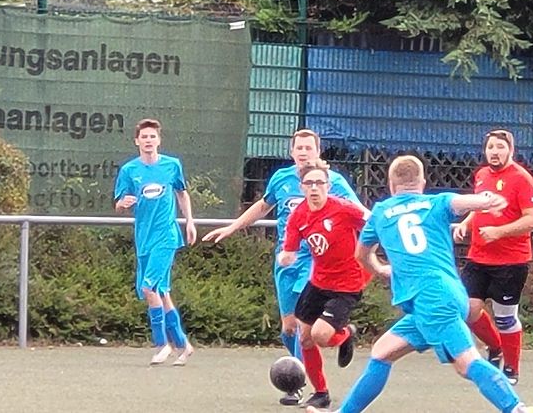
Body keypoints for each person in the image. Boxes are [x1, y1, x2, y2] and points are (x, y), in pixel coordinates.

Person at [307, 155, 533, 413]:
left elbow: (361, 255)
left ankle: (516, 408)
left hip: (432, 299)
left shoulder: (381, 212)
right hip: (443, 295)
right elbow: (463, 202)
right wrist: (487, 201)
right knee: (382, 351)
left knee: (466, 362)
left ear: (391, 184)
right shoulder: (435, 202)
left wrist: (381, 269)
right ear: (423, 183)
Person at [202, 129, 364, 406]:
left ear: (318, 151)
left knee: (305, 328)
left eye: (308, 148)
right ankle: (339, 340)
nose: (303, 152)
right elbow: (262, 207)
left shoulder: (332, 182)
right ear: (292, 152)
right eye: (299, 148)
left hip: (315, 262)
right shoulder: (281, 179)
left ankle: (300, 386)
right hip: (287, 260)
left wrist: (363, 257)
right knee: (289, 328)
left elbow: (359, 213)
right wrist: (232, 227)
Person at [277, 160, 381, 410]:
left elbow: (375, 225)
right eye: (309, 183)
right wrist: (286, 257)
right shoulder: (298, 215)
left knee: (320, 335)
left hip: (347, 284)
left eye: (319, 183)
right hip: (318, 282)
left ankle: (345, 334)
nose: (314, 188)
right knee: (305, 338)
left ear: (328, 185)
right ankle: (321, 393)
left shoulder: (344, 209)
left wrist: (369, 255)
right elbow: (289, 249)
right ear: (301, 187)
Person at [452, 129, 533, 384]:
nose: (494, 152)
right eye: (491, 147)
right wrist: (466, 223)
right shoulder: (482, 175)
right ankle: (495, 347)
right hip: (478, 258)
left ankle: (511, 369)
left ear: (510, 150)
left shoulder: (521, 179)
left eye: (500, 147)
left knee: (505, 318)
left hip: (511, 262)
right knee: (468, 309)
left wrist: (499, 232)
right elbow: (481, 207)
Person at [114, 118, 198, 365]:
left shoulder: (172, 165)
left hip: (166, 236)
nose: (148, 141)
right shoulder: (129, 170)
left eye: (152, 136)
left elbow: (182, 193)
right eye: (144, 137)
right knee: (162, 292)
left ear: (159, 140)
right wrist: (122, 204)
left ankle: (162, 344)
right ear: (137, 141)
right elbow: (119, 202)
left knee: (149, 287)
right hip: (144, 238)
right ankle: (183, 345)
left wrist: (189, 222)